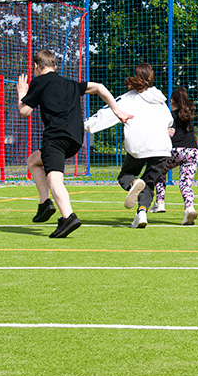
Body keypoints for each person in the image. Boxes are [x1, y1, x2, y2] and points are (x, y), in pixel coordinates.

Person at [18, 49, 131, 239]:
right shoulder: (70, 83)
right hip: (76, 139)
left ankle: (68, 216)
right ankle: (45, 203)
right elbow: (100, 87)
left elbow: (25, 111)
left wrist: (22, 93)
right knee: (33, 161)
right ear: (55, 66)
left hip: (56, 137)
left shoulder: (38, 82)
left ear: (37, 67)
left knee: (55, 180)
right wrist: (117, 111)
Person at [84, 63, 174, 229]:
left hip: (139, 146)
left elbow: (108, 112)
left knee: (126, 175)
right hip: (162, 148)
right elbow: (169, 121)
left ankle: (133, 183)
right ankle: (141, 214)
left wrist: (86, 125)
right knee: (149, 184)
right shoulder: (161, 101)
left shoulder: (128, 98)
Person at [152, 86, 198, 225]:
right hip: (192, 152)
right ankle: (189, 208)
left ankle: (160, 202)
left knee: (160, 170)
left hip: (175, 151)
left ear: (172, 101)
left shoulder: (170, 116)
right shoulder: (189, 114)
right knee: (186, 183)